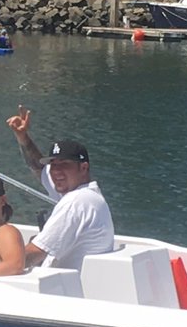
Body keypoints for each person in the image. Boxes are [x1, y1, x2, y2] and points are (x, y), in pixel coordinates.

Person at [6, 105, 114, 271]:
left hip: (64, 291)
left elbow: (35, 253)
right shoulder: (84, 194)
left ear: (83, 168)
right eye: (53, 165)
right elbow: (38, 167)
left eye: (64, 165)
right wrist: (23, 137)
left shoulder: (76, 202)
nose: (56, 172)